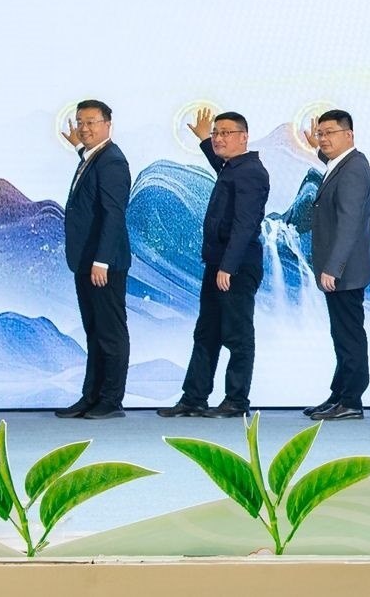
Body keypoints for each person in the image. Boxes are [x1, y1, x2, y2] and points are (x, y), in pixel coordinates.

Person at [159, 109, 270, 419]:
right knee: (206, 332)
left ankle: (236, 400)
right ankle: (194, 398)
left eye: (226, 133)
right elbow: (220, 163)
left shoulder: (252, 172)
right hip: (218, 263)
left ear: (244, 137)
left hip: (236, 267)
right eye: (216, 133)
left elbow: (245, 224)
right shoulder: (233, 167)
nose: (218, 138)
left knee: (237, 334)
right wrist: (203, 140)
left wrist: (228, 267)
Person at [56, 99, 132, 420]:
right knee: (94, 331)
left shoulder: (112, 161)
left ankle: (111, 400)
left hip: (104, 264)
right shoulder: (94, 157)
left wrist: (102, 260)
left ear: (107, 125)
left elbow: (114, 214)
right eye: (80, 122)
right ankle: (91, 396)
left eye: (91, 122)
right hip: (86, 261)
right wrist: (78, 147)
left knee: (110, 332)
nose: (84, 129)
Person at [301, 109, 370, 420]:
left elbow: (349, 222)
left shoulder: (354, 169)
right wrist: (316, 148)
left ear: (349, 135)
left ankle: (351, 400)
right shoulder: (344, 164)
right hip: (345, 268)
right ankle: (340, 394)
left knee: (349, 335)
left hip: (346, 270)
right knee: (342, 334)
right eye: (320, 134)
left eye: (330, 133)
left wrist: (333, 267)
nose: (323, 139)